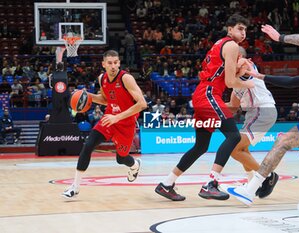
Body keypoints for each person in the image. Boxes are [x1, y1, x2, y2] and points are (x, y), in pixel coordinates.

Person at [222, 24, 299, 208]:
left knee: (282, 141)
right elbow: (291, 82)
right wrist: (260, 76)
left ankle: (250, 190)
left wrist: (280, 37)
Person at [155, 15, 254, 201]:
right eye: (240, 28)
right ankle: (211, 183)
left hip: (202, 94)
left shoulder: (220, 44)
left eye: (245, 30)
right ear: (230, 29)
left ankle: (167, 183)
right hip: (209, 94)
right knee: (233, 136)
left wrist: (240, 69)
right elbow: (230, 82)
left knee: (201, 146)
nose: (243, 33)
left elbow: (227, 73)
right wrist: (249, 83)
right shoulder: (232, 45)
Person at [62, 50, 147, 199]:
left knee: (121, 158)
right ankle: (74, 187)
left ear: (119, 63)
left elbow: (142, 104)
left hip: (126, 123)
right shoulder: (102, 79)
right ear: (103, 64)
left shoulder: (126, 79)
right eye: (110, 63)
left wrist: (118, 117)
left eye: (115, 63)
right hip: (109, 119)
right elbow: (106, 100)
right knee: (88, 145)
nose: (113, 66)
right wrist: (89, 96)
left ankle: (134, 165)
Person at [228, 46, 279, 199]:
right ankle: (252, 183)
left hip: (261, 110)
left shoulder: (245, 65)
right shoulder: (235, 79)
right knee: (242, 149)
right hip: (255, 113)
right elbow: (233, 107)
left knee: (234, 149)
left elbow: (238, 65)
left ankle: (268, 176)